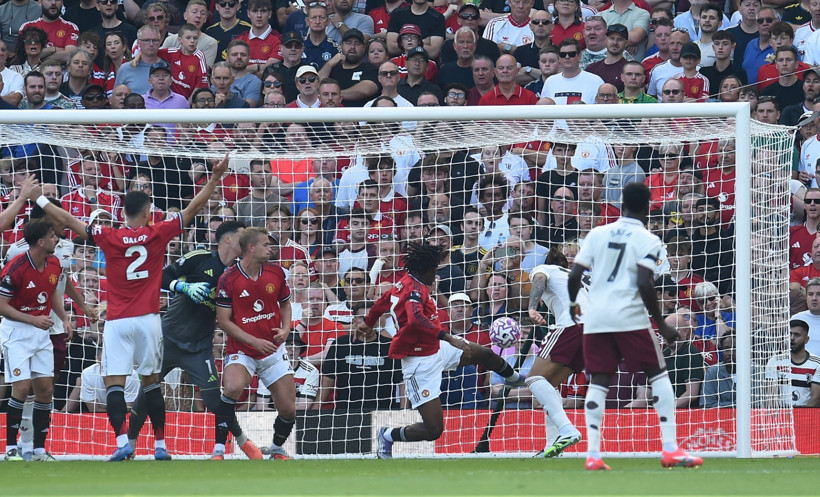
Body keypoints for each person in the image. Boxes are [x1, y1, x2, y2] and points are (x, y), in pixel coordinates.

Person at [28, 153, 230, 461]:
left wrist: (38, 199)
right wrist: (214, 178)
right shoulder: (158, 231)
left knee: (115, 384)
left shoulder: (109, 235)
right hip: (149, 320)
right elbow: (192, 209)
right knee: (151, 382)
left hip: (118, 321)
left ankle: (123, 441)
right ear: (148, 211)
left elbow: (67, 220)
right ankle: (161, 445)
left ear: (123, 212)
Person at [568, 182, 702, 470]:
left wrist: (573, 307)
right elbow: (643, 281)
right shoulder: (648, 239)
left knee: (600, 381)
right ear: (647, 206)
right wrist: (661, 324)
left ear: (621, 202)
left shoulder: (597, 233)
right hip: (629, 316)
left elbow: (574, 275)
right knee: (658, 375)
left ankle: (592, 454)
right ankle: (670, 449)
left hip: (596, 317)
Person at [359, 242, 525, 458]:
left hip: (438, 347)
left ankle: (513, 378)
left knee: (483, 353)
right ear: (426, 269)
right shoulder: (414, 291)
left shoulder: (405, 282)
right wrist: (447, 337)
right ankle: (388, 435)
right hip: (420, 363)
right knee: (434, 429)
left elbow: (383, 301)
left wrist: (368, 322)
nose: (436, 274)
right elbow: (416, 319)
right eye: (435, 270)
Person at [126, 220, 263, 460]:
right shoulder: (199, 257)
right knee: (146, 393)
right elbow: (160, 277)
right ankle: (128, 446)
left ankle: (243, 442)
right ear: (228, 239)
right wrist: (182, 286)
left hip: (199, 347)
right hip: (167, 340)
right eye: (242, 236)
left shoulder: (236, 273)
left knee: (214, 399)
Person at [214, 226, 296, 460]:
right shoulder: (229, 278)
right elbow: (223, 321)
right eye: (266, 245)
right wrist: (254, 341)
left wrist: (286, 328)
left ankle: (278, 449)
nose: (270, 249)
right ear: (251, 248)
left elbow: (285, 304)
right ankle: (219, 450)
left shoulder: (276, 273)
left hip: (272, 350)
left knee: (288, 408)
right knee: (231, 388)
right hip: (243, 350)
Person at [0, 219, 71, 461]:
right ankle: (11, 447)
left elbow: (52, 292)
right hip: (17, 332)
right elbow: (1, 306)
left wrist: (65, 319)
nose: (57, 239)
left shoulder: (54, 264)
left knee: (45, 388)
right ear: (40, 242)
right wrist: (32, 320)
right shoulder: (14, 269)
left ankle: (39, 449)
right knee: (21, 387)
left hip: (41, 332)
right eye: (52, 236)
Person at [526, 249, 588, 457]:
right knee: (549, 387)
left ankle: (567, 430)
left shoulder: (543, 269)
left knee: (534, 379)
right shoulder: (576, 279)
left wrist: (532, 307)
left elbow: (540, 279)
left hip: (573, 325)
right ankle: (554, 444)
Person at [764, 319, 820, 407]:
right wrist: (780, 417)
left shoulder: (817, 364)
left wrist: (801, 417)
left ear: (806, 339)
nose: (792, 338)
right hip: (782, 417)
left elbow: (816, 398)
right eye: (789, 334)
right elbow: (771, 396)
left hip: (807, 416)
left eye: (797, 335)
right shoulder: (774, 361)